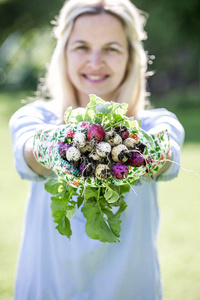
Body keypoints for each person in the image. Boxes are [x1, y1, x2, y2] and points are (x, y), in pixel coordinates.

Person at [9, 0, 185, 299]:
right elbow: (30, 153)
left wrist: (134, 152)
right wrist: (64, 146)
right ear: (63, 53)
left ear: (131, 58)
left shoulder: (156, 123)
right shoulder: (36, 118)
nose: (95, 61)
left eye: (111, 48)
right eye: (81, 47)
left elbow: (165, 154)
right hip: (48, 288)